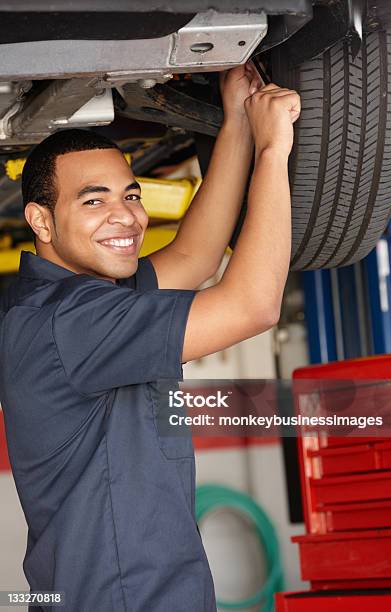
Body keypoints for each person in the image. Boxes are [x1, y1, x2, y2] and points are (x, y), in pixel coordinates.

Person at [0, 62, 300, 612]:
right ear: (41, 222)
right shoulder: (72, 323)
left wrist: (236, 120)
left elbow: (196, 256)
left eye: (131, 195)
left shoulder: (83, 298)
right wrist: (273, 152)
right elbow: (253, 307)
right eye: (94, 201)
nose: (126, 218)